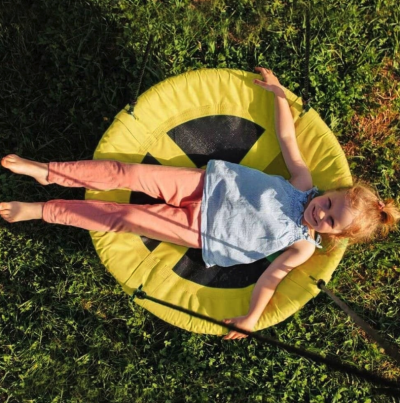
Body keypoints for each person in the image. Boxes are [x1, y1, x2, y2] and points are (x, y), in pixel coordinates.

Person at [1, 68, 399, 340]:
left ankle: (41, 211)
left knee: (124, 217)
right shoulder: (304, 184)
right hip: (205, 185)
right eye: (329, 203)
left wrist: (251, 318)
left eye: (330, 221)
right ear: (331, 191)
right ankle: (47, 172)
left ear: (335, 236)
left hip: (201, 231)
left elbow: (270, 280)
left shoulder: (302, 246)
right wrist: (280, 96)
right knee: (128, 174)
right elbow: (287, 139)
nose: (321, 213)